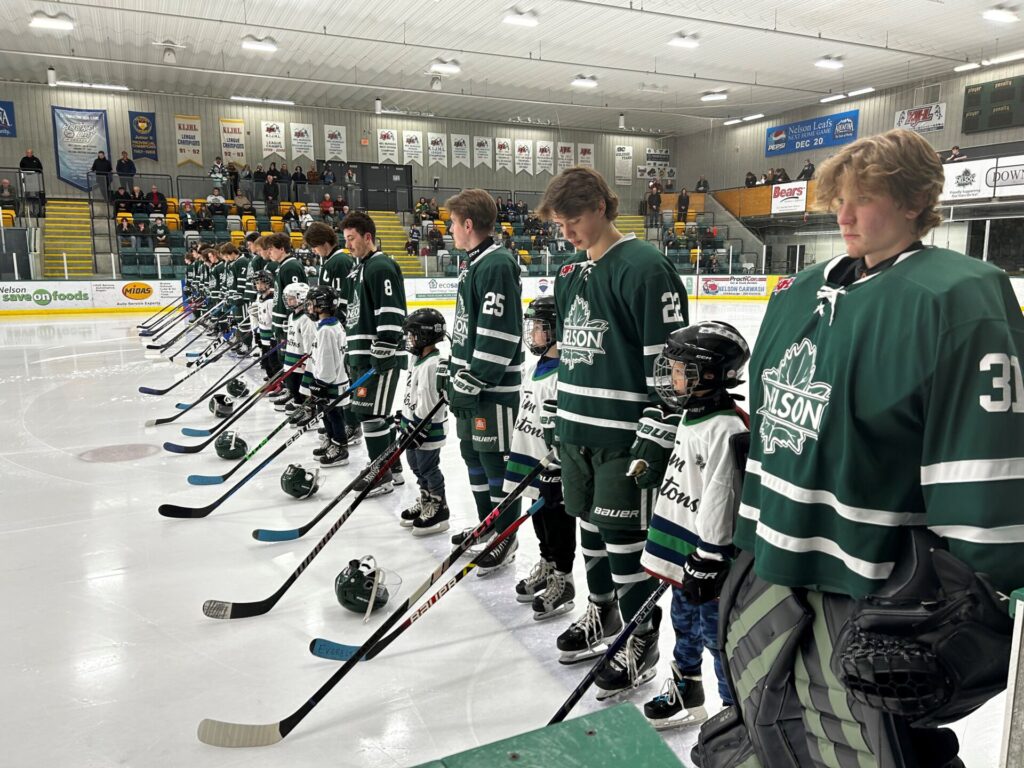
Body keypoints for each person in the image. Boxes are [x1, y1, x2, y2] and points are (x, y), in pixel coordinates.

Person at [694, 128, 1024, 768]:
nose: (842, 215)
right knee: (766, 725)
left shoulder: (959, 297)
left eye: (864, 199)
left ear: (913, 202)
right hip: (771, 571)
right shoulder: (798, 295)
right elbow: (772, 432)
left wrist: (978, 590)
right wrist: (737, 543)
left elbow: (984, 459)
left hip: (877, 587)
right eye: (839, 198)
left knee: (876, 747)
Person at [537, 167, 688, 695]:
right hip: (576, 432)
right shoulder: (571, 272)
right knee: (591, 534)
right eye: (560, 223)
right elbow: (573, 360)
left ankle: (640, 637)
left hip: (623, 437)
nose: (567, 232)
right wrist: (558, 425)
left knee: (625, 544)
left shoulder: (647, 268)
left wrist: (661, 427)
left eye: (573, 219)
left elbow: (671, 369)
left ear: (602, 206)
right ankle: (600, 613)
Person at [633, 321, 750, 731]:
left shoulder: (727, 428)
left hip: (707, 558)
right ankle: (687, 690)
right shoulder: (693, 415)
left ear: (714, 374)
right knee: (683, 624)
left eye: (684, 370)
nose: (673, 377)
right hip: (686, 551)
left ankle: (734, 714)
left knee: (716, 637)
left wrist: (712, 554)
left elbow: (722, 495)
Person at [444, 188, 524, 573]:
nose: (450, 230)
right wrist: (455, 373)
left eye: (453, 223)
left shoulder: (496, 264)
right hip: (471, 385)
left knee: (495, 460)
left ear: (469, 224)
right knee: (472, 453)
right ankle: (487, 525)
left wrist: (474, 378)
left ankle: (505, 534)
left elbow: (500, 332)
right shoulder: (475, 263)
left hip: (492, 389)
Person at [504, 295, 576, 619]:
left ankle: (564, 577)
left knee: (557, 519)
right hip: (531, 456)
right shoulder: (536, 367)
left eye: (537, 327)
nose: (530, 333)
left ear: (556, 331)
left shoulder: (563, 374)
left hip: (553, 464)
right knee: (538, 515)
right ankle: (547, 563)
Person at [341, 211, 408, 495]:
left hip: (377, 355)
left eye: (352, 238)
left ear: (368, 237)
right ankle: (391, 466)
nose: (348, 244)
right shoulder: (358, 268)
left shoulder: (380, 266)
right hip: (360, 353)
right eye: (345, 239)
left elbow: (391, 311)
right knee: (368, 413)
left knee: (371, 415)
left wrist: (384, 347)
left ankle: (379, 473)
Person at [397, 308, 451, 536]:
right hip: (413, 425)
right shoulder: (418, 359)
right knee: (416, 465)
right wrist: (404, 419)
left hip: (426, 429)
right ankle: (426, 497)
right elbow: (414, 393)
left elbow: (429, 402)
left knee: (428, 467)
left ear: (426, 335)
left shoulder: (433, 363)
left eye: (413, 334)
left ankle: (439, 507)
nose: (409, 339)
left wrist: (418, 426)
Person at [307, 221, 360, 445]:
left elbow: (343, 299)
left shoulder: (340, 261)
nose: (312, 250)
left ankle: (352, 424)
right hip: (334, 327)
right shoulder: (330, 260)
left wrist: (337, 327)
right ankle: (342, 421)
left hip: (339, 328)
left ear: (325, 242)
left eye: (314, 245)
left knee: (341, 377)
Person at [301, 285, 351, 468]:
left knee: (334, 415)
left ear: (321, 305)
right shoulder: (329, 325)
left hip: (330, 382)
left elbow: (328, 360)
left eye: (311, 304)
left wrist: (321, 383)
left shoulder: (327, 331)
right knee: (327, 414)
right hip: (329, 381)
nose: (309, 307)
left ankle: (340, 447)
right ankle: (331, 441)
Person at [276, 282, 315, 416]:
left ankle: (307, 409)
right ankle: (298, 403)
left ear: (302, 298)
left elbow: (309, 341)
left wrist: (306, 360)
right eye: (287, 297)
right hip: (291, 358)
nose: (288, 300)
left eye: (292, 297)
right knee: (292, 385)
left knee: (302, 387)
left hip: (300, 360)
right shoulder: (292, 316)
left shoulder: (306, 318)